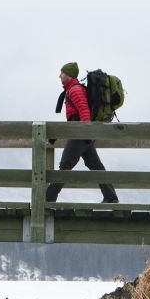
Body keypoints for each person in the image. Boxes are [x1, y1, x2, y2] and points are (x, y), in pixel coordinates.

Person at [45, 62, 119, 203]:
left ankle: (47, 198)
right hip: (83, 134)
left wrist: (85, 134)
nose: (59, 75)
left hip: (81, 134)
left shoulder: (75, 90)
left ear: (68, 74)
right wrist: (54, 138)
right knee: (96, 166)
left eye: (62, 73)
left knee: (65, 165)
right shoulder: (72, 89)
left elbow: (84, 112)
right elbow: (73, 119)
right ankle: (111, 197)